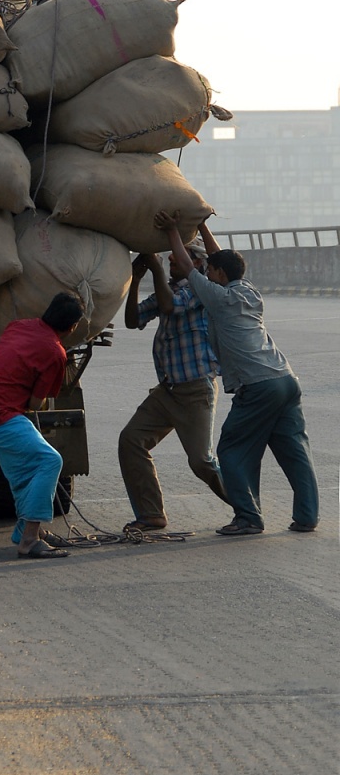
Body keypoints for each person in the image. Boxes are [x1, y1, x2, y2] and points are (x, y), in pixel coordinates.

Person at [154, 211, 320, 537]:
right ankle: (307, 516)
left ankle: (248, 518)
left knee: (231, 451)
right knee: (294, 452)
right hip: (285, 380)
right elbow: (221, 261)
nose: (206, 270)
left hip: (257, 386)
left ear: (216, 275)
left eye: (210, 269)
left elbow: (189, 267)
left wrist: (173, 230)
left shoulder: (218, 298)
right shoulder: (247, 289)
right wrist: (201, 225)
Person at [119, 242, 231, 532]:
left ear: (197, 264)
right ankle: (151, 513)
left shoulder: (200, 289)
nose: (170, 261)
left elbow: (169, 304)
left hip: (195, 390)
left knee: (202, 462)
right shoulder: (166, 289)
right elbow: (132, 320)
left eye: (179, 258)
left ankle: (246, 507)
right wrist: (136, 279)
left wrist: (154, 267)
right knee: (131, 440)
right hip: (167, 391)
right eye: (167, 260)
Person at [0, 292, 83, 560]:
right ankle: (29, 539)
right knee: (50, 461)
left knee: (20, 473)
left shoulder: (19, 325)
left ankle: (30, 533)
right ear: (72, 327)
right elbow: (36, 402)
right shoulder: (55, 352)